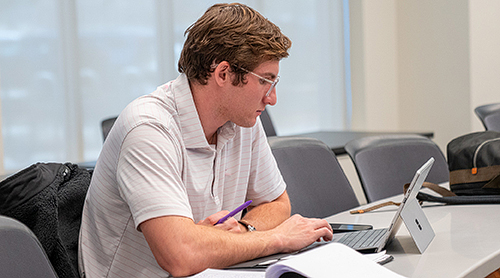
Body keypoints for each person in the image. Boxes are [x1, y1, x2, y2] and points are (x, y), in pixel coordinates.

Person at [79, 3, 333, 277]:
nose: (271, 98)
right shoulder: (148, 129)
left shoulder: (242, 119)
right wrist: (277, 238)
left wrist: (245, 231)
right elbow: (182, 256)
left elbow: (277, 203)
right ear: (223, 73)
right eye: (265, 81)